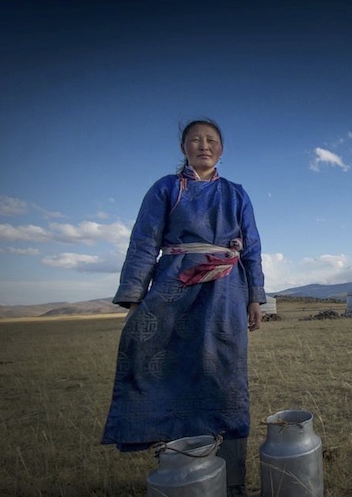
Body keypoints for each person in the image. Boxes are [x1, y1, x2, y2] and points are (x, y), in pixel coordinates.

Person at [102, 118, 265, 496]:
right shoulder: (165, 188)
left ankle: (233, 482)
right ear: (184, 148)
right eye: (195, 140)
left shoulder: (236, 193)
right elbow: (144, 241)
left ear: (221, 149)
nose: (203, 145)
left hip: (225, 290)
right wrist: (134, 296)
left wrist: (256, 296)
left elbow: (252, 247)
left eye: (211, 140)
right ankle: (179, 474)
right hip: (174, 285)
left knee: (224, 371)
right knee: (164, 367)